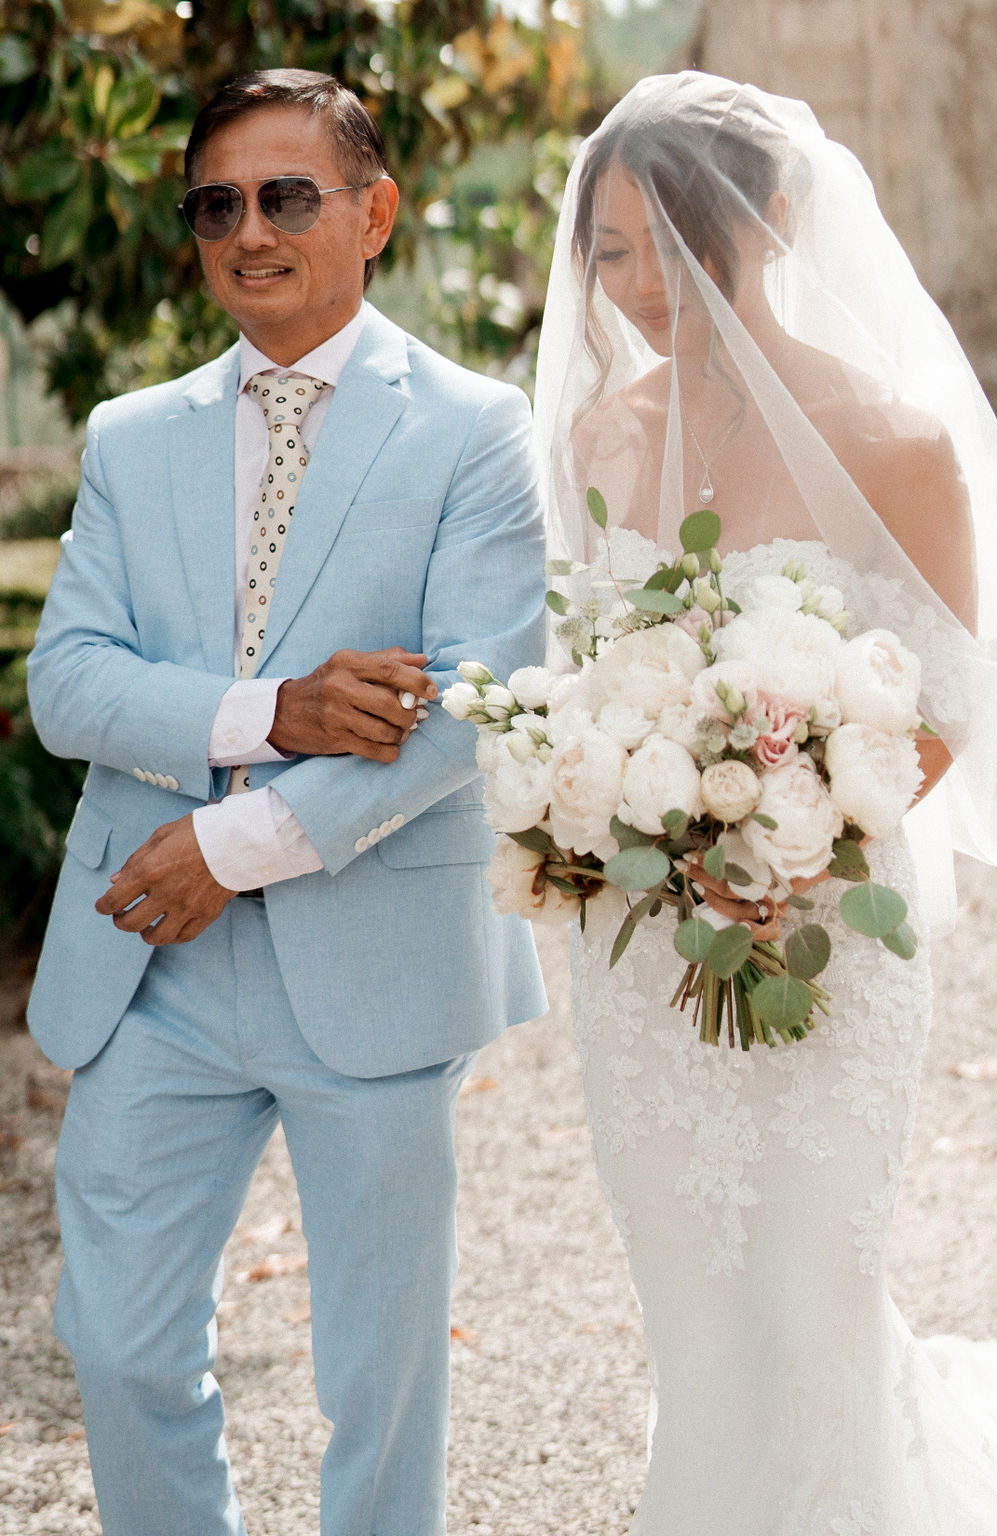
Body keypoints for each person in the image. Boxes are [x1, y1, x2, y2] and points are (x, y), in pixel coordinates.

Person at [26, 68, 546, 1536]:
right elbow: (68, 681)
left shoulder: (472, 426)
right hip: (149, 964)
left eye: (287, 195)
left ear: (371, 212)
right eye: (217, 204)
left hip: (371, 954)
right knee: (118, 1345)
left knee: (379, 1384)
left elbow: (466, 708)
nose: (249, 229)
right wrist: (269, 714)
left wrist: (230, 844)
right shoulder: (133, 436)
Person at [533, 71, 997, 1533]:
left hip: (833, 924)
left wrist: (792, 844)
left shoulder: (898, 439)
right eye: (611, 252)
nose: (645, 285)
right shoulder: (597, 440)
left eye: (678, 243)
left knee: (811, 1284)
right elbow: (592, 681)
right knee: (691, 1285)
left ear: (776, 221)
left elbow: (949, 698)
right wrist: (641, 828)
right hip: (643, 955)